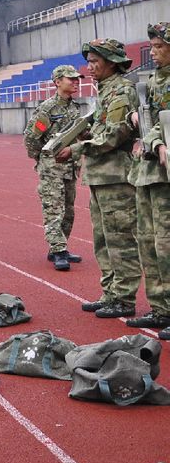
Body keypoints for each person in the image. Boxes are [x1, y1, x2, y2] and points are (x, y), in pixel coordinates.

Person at [56, 39, 140, 318]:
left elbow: (115, 135)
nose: (89, 67)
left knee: (120, 240)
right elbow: (100, 132)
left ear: (112, 62)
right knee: (103, 240)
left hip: (116, 177)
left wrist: (77, 148)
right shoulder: (104, 91)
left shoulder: (121, 92)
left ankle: (124, 299)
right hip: (101, 176)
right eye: (89, 61)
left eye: (95, 62)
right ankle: (111, 293)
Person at [127, 23, 170, 329]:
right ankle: (160, 307)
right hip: (149, 172)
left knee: (167, 244)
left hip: (165, 172)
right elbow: (152, 121)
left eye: (159, 46)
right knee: (148, 241)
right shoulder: (154, 81)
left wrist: (152, 139)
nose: (153, 52)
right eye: (152, 46)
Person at [23, 65, 84, 271]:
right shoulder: (47, 109)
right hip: (52, 168)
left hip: (70, 167)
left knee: (69, 211)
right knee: (53, 209)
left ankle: (61, 247)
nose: (76, 82)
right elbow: (31, 137)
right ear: (58, 82)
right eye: (71, 79)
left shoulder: (75, 108)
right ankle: (58, 250)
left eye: (77, 79)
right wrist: (43, 159)